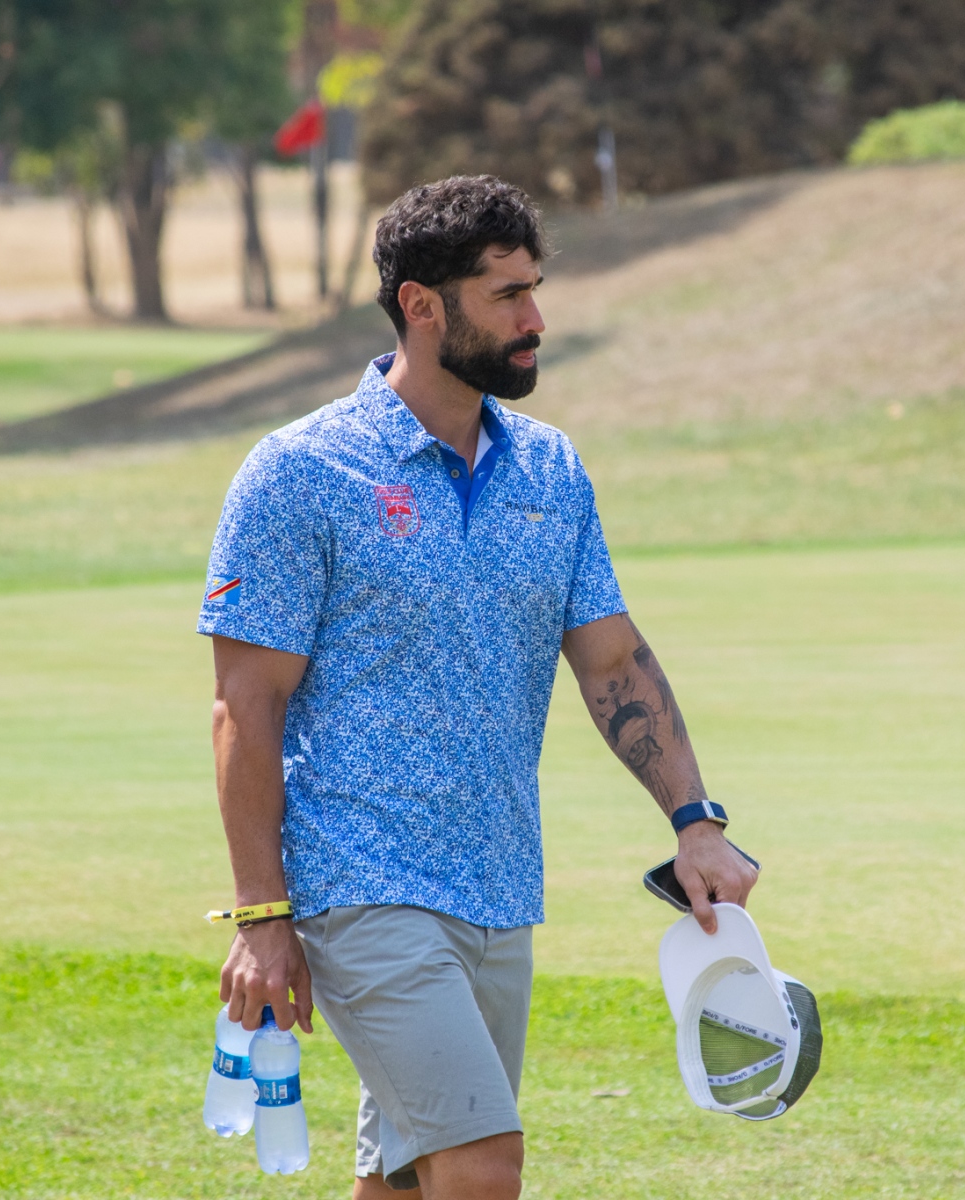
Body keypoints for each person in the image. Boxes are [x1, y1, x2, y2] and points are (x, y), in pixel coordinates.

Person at [198, 175, 757, 1200]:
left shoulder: (551, 469)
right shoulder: (298, 473)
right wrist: (261, 916)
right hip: (361, 879)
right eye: (507, 296)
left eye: (535, 289)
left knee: (406, 1181)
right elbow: (247, 704)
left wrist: (696, 820)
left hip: (500, 886)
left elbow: (612, 662)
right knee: (483, 1162)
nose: (535, 320)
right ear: (421, 305)